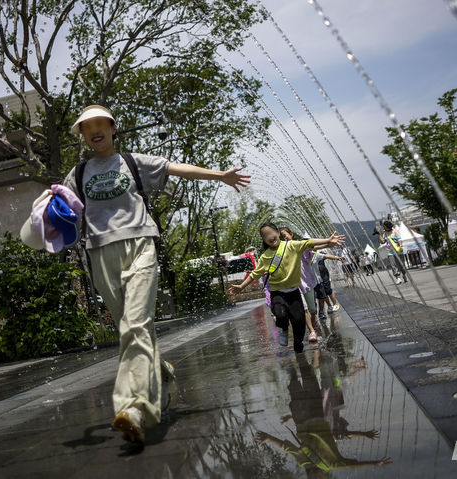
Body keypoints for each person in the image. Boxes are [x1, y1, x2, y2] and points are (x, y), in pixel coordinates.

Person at [59, 105, 251, 445]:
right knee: (131, 328)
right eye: (87, 127)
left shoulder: (133, 162)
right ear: (83, 135)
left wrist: (219, 175)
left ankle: (132, 408)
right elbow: (61, 209)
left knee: (135, 324)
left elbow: (177, 169)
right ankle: (160, 369)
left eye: (101, 124)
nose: (95, 130)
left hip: (140, 246)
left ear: (113, 128)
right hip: (99, 253)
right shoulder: (77, 173)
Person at [255, 353, 391, 472]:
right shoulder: (334, 464)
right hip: (317, 414)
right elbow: (352, 465)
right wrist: (374, 463)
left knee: (294, 380)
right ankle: (298, 351)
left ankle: (289, 356)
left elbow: (289, 448)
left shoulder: (304, 462)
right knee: (308, 375)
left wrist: (270, 439)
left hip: (301, 418)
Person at [228, 223, 345, 353]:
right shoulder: (265, 256)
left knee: (299, 321)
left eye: (271, 233)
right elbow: (255, 274)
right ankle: (283, 328)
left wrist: (328, 240)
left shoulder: (292, 246)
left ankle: (298, 343)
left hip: (294, 292)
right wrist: (241, 286)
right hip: (277, 293)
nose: (270, 237)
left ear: (278, 232)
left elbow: (309, 243)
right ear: (264, 240)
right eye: (265, 235)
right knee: (281, 315)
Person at [279, 227, 321, 343]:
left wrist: (328, 243)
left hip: (307, 283)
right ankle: (312, 331)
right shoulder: (282, 251)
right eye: (281, 237)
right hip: (295, 285)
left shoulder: (301, 247)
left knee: (312, 309)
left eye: (285, 235)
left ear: (291, 234)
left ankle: (314, 320)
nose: (284, 238)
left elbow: (313, 247)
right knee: (304, 309)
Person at [314, 251, 341, 320]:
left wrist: (337, 258)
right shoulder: (307, 254)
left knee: (328, 290)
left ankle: (335, 304)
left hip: (324, 274)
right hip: (316, 276)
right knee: (322, 292)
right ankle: (329, 306)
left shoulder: (318, 253)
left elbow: (327, 256)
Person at [379, 221, 407, 285]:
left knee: (402, 265)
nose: (383, 227)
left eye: (384, 226)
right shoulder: (385, 233)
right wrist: (379, 235)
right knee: (393, 265)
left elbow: (399, 240)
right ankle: (398, 278)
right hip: (390, 251)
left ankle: (404, 274)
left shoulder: (395, 231)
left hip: (398, 251)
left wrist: (400, 246)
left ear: (388, 226)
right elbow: (383, 242)